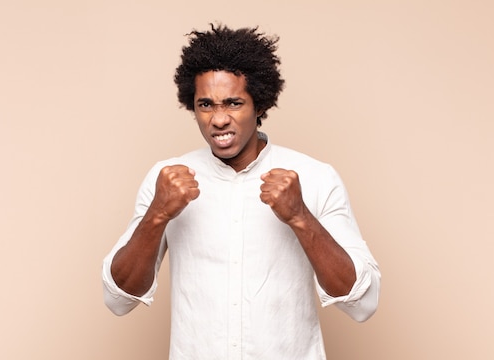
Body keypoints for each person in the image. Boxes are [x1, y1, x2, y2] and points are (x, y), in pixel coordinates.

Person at [102, 24, 381, 360]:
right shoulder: (167, 180)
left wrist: (300, 217)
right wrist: (157, 215)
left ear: (259, 105)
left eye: (233, 103)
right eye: (205, 105)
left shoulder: (316, 177)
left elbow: (363, 303)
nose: (218, 119)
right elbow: (118, 299)